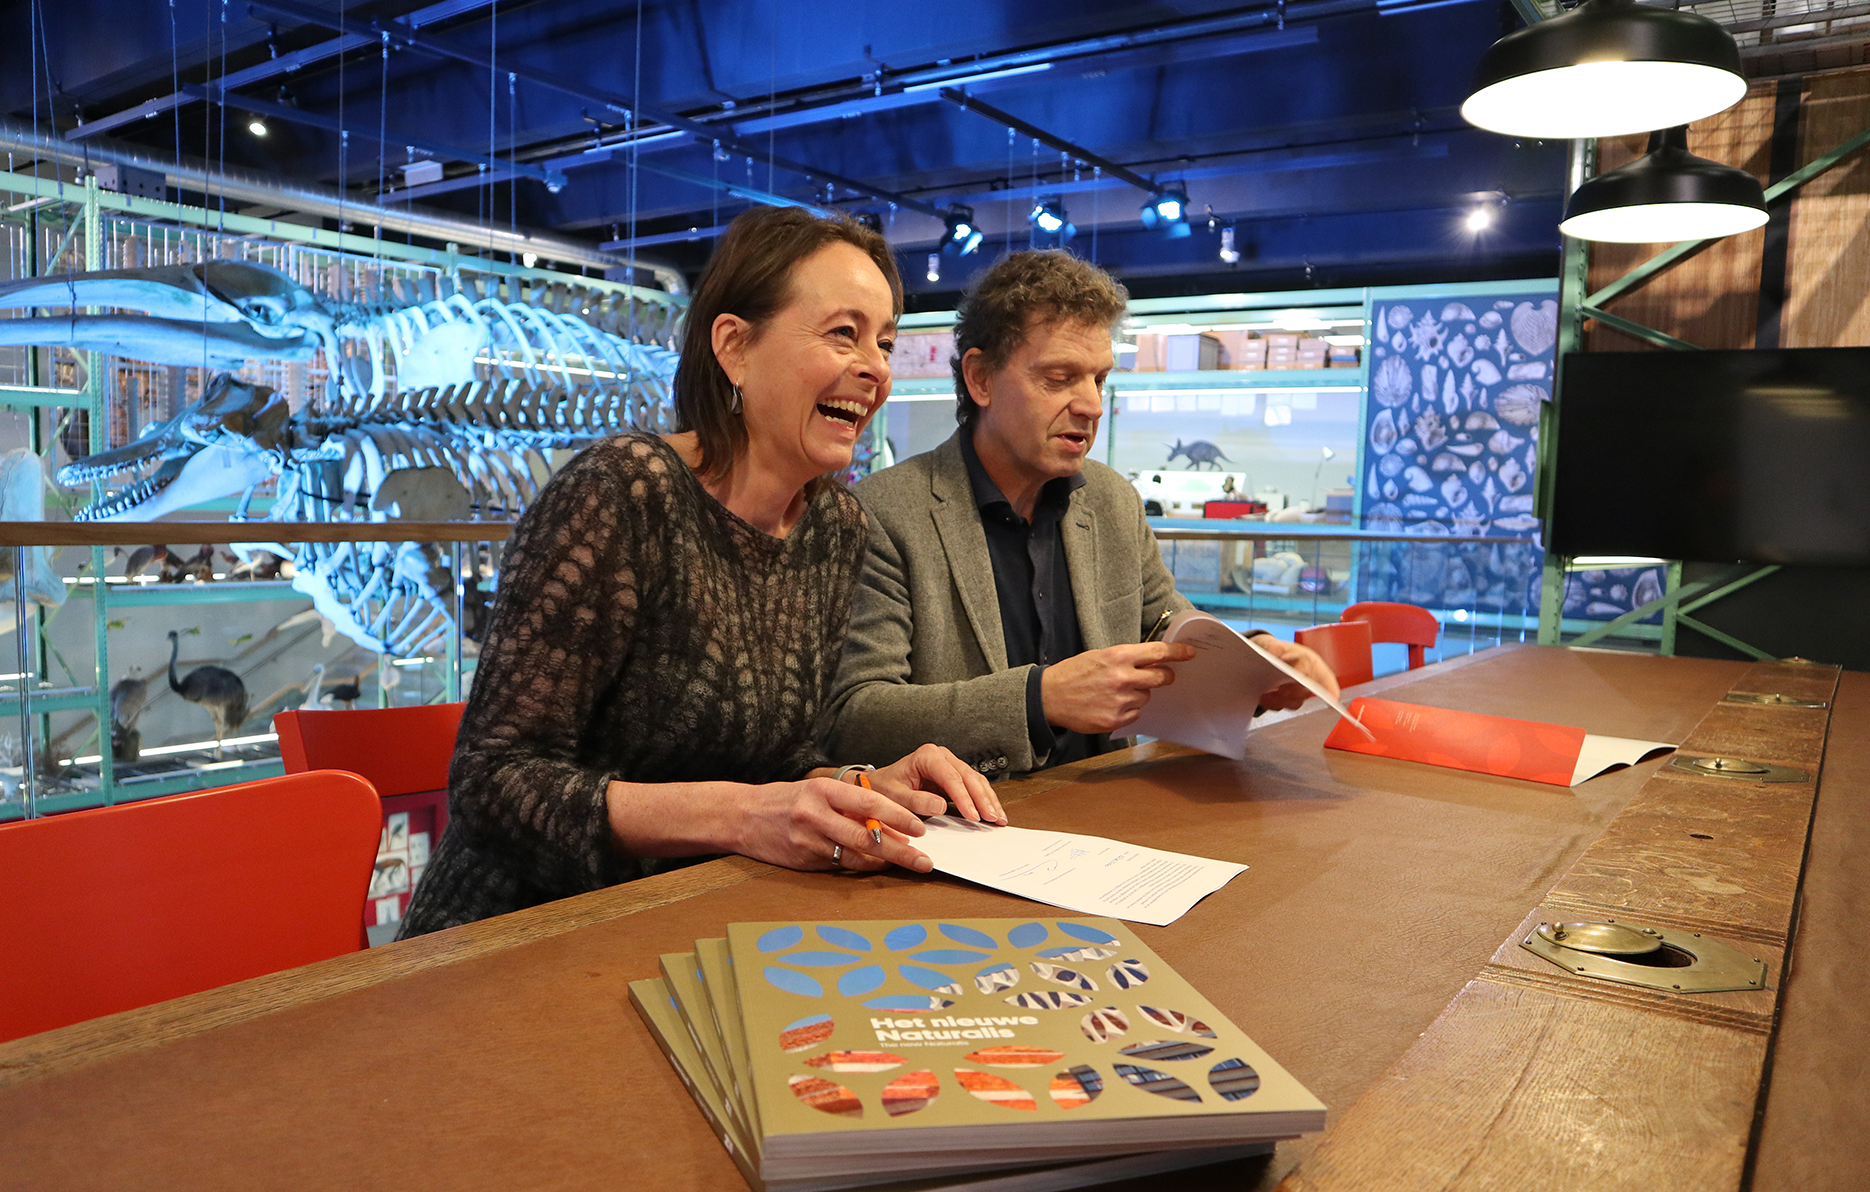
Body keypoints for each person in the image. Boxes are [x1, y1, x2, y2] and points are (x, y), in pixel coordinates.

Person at [400, 208, 1003, 937]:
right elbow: (492, 783)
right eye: (844, 333)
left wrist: (857, 785)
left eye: (884, 342)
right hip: (521, 933)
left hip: (696, 917)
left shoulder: (836, 528)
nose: (875, 367)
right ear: (735, 347)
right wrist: (748, 815)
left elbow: (775, 763)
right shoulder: (624, 491)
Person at [820, 250, 1339, 777]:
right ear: (980, 379)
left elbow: (1170, 633)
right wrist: (1038, 699)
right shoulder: (884, 514)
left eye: (1099, 379)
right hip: (972, 828)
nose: (1090, 404)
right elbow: (854, 716)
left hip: (1110, 810)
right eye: (1059, 378)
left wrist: (1257, 666)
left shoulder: (1112, 502)